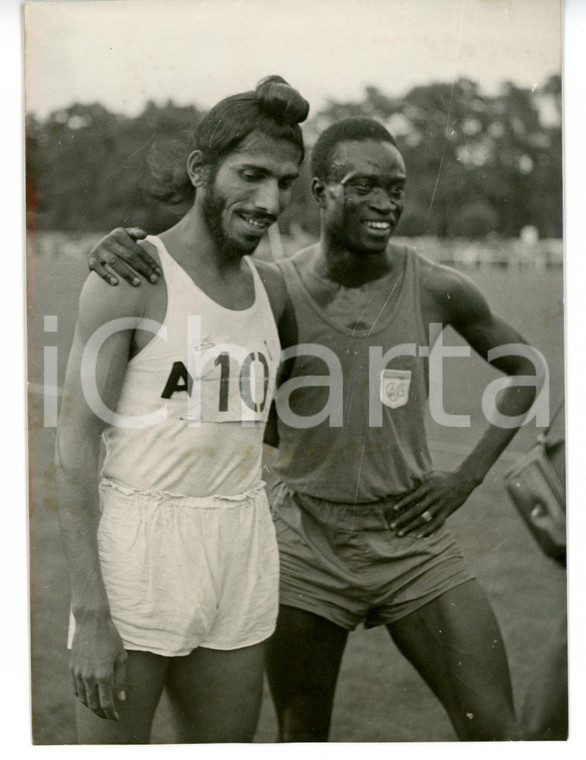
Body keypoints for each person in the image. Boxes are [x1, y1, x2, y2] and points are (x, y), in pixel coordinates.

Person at [87, 118, 541, 741]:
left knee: (496, 731)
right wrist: (120, 244)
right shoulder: (276, 289)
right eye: (363, 186)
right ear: (321, 191)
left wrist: (465, 477)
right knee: (301, 736)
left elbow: (525, 368)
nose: (385, 203)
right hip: (305, 543)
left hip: (413, 540)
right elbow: (228, 363)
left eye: (396, 187)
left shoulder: (435, 285)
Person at [55, 75, 309, 744]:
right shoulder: (131, 278)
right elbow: (76, 447)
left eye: (285, 182)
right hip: (137, 557)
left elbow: (272, 420)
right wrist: (91, 612)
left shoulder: (276, 291)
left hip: (238, 552)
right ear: (201, 170)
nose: (269, 200)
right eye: (251, 175)